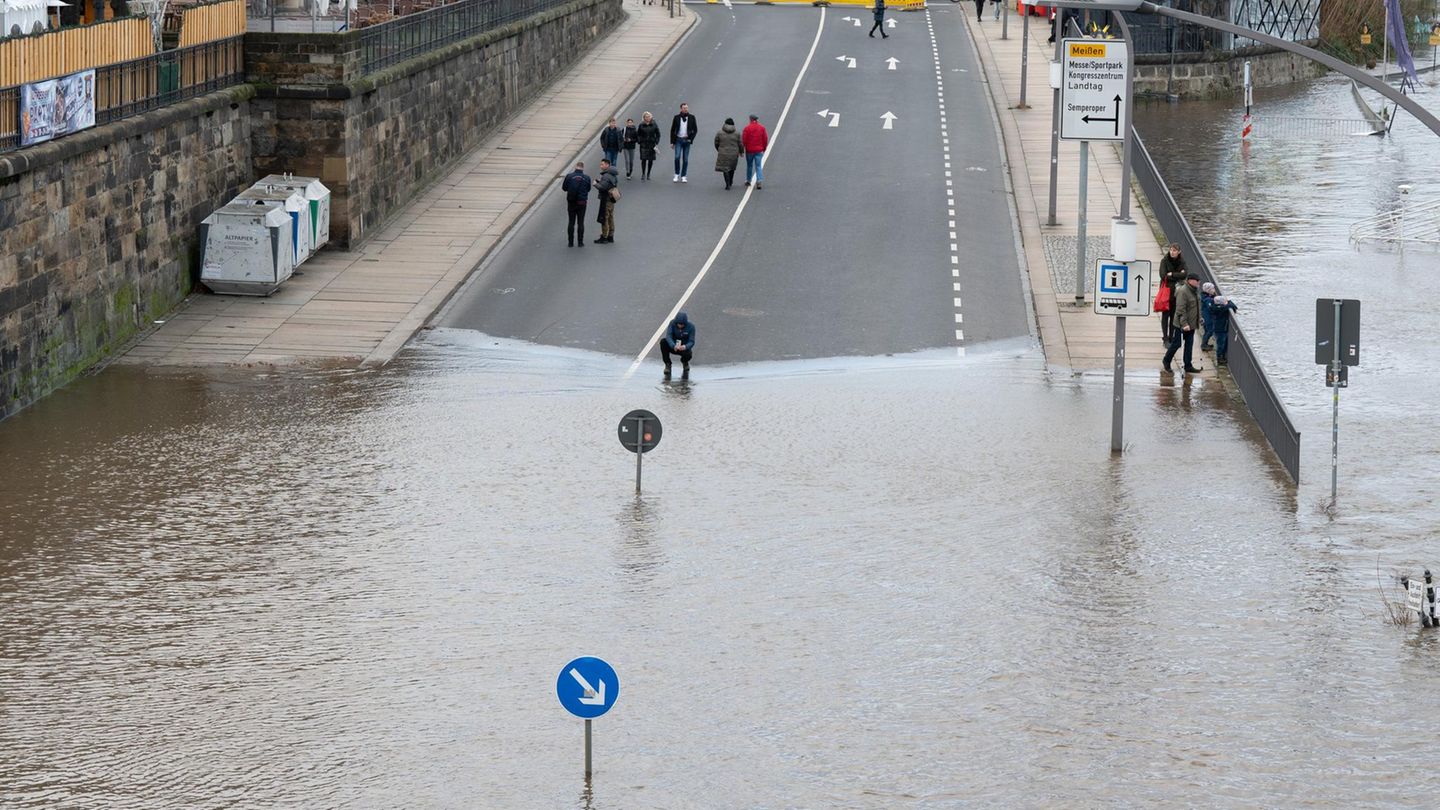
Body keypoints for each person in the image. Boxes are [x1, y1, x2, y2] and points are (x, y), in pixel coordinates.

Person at [1163, 272, 1204, 374]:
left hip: (1192, 323)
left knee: (1189, 344)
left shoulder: (1195, 291)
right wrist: (1184, 324)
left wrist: (1200, 318)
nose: (1198, 282)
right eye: (1197, 280)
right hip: (1181, 324)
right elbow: (1181, 310)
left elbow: (1196, 307)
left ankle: (1188, 365)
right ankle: (1166, 361)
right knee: (1176, 344)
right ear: (1190, 280)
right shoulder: (1183, 291)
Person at [1158, 243, 1186, 344]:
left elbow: (1185, 274)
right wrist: (1178, 275)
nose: (1172, 252)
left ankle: (1171, 337)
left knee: (1174, 316)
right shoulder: (1164, 261)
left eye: (1174, 250)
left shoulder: (1182, 261)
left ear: (1179, 252)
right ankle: (1165, 338)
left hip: (1177, 293)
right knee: (1165, 315)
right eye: (1171, 250)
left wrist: (1172, 274)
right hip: (1167, 292)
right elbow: (1163, 275)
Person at [559, 161, 591, 247]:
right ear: (583, 168)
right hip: (582, 202)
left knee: (571, 222)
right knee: (581, 222)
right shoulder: (587, 178)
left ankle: (570, 242)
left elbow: (564, 188)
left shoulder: (569, 176)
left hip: (571, 202)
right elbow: (588, 189)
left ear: (575, 167)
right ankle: (580, 242)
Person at [659, 312, 696, 379]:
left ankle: (685, 362)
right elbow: (669, 336)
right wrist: (673, 345)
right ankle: (668, 364)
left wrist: (685, 347)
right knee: (663, 342)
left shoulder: (691, 327)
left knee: (688, 354)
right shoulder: (672, 323)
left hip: (683, 348)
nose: (680, 326)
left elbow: (691, 341)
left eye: (682, 325)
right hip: (673, 346)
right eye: (679, 324)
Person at [671, 102, 698, 183]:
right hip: (678, 139)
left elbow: (695, 130)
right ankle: (676, 174)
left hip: (687, 140)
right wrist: (672, 142)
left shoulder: (692, 117)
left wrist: (691, 139)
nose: (686, 109)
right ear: (681, 109)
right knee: (677, 157)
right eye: (684, 108)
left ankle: (683, 176)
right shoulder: (676, 117)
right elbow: (672, 130)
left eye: (686, 108)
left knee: (685, 159)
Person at [593, 159, 619, 244]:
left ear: (607, 165)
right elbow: (608, 184)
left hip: (606, 199)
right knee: (611, 217)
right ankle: (611, 235)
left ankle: (604, 237)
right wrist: (600, 181)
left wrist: (595, 184)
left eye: (602, 164)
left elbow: (603, 187)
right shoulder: (613, 174)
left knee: (604, 218)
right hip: (611, 199)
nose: (601, 166)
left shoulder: (606, 175)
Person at [1210, 292, 1238, 366]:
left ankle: (1222, 357)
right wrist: (1228, 302)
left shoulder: (1218, 307)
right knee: (1221, 344)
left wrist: (1227, 302)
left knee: (1223, 343)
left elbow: (1233, 307)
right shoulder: (1219, 309)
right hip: (1220, 329)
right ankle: (1220, 358)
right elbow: (1233, 306)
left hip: (1222, 328)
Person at [714, 118, 742, 190]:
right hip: (734, 153)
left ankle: (727, 183)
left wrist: (719, 149)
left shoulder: (720, 133)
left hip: (723, 153)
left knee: (725, 168)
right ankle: (731, 180)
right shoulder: (737, 133)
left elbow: (716, 142)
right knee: (732, 168)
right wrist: (741, 151)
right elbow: (740, 143)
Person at [742, 113, 768, 189]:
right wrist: (764, 148)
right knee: (758, 166)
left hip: (749, 150)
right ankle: (759, 180)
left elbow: (744, 139)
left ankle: (748, 180)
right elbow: (765, 139)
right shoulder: (762, 128)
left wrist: (742, 149)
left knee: (749, 165)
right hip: (759, 150)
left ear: (750, 119)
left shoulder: (747, 128)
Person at [636, 111, 660, 181]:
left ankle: (648, 173)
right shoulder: (641, 125)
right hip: (643, 144)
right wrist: (639, 141)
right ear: (644, 118)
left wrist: (656, 141)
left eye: (649, 116)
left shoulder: (654, 124)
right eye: (646, 117)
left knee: (650, 160)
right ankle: (643, 173)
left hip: (651, 144)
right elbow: (638, 134)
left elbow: (658, 134)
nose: (648, 118)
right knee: (643, 159)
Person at [1199, 281, 1217, 351]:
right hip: (1208, 318)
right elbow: (1211, 308)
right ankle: (1204, 345)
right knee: (1210, 331)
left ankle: (1205, 344)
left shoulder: (1205, 297)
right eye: (1213, 289)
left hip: (1206, 317)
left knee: (1207, 331)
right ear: (1208, 290)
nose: (1214, 290)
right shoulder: (1208, 300)